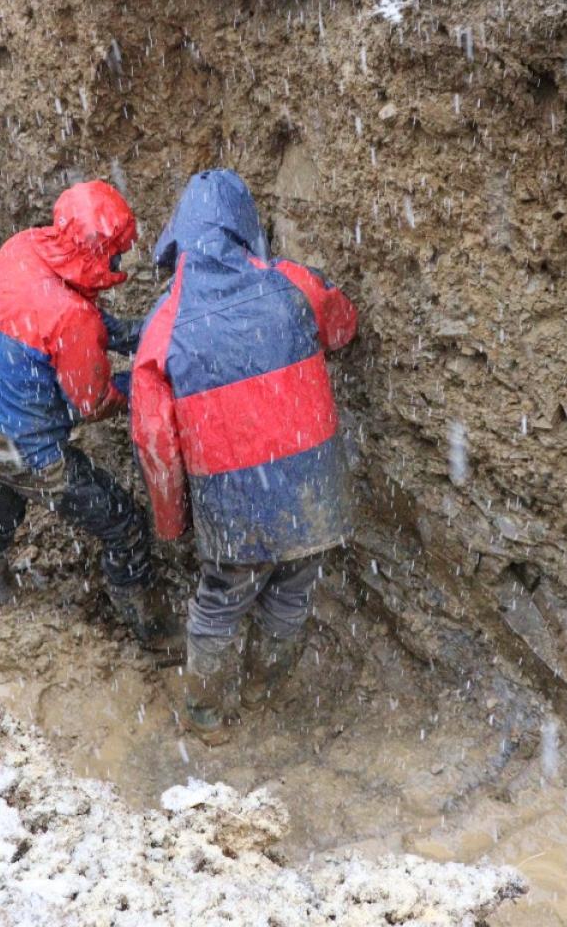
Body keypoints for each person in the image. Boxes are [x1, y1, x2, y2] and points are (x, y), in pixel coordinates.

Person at [128, 170, 358, 735]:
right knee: (294, 588)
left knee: (219, 605)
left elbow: (155, 441)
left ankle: (206, 713)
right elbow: (341, 326)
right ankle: (264, 685)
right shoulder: (294, 284)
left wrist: (171, 520)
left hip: (235, 504)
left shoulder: (163, 328)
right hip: (314, 487)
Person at [0, 180, 179, 651]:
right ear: (99, 255)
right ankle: (150, 624)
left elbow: (60, 313)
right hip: (28, 452)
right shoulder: (75, 319)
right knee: (124, 523)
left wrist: (128, 335)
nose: (120, 264)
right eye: (116, 255)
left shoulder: (22, 250)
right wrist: (141, 387)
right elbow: (93, 403)